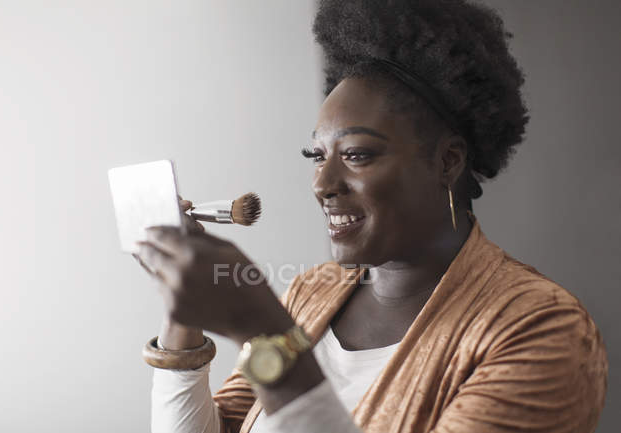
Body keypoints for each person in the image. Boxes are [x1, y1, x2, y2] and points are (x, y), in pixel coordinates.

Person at [133, 1, 608, 432]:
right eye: (316, 155)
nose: (322, 185)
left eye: (357, 155)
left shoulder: (538, 329)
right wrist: (183, 316)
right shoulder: (309, 297)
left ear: (448, 161)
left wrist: (265, 330)